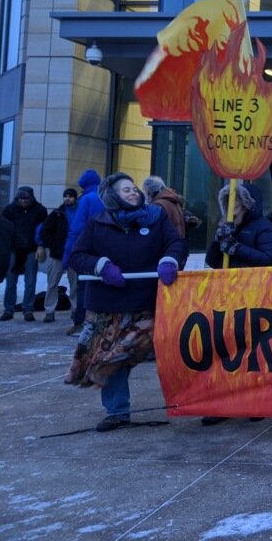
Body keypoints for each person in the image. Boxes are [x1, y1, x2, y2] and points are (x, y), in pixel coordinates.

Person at [65, 172, 187, 431]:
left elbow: (176, 244)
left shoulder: (156, 218)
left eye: (133, 188)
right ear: (112, 197)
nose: (133, 193)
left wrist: (170, 260)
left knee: (165, 352)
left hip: (146, 302)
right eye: (125, 190)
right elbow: (77, 256)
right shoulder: (98, 223)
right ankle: (117, 411)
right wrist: (101, 266)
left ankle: (187, 400)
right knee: (113, 359)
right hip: (108, 307)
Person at [202, 182, 272, 426]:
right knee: (225, 350)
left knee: (253, 352)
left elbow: (268, 258)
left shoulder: (262, 226)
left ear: (247, 204)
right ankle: (223, 403)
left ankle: (255, 402)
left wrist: (237, 248)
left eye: (235, 202)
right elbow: (213, 261)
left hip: (253, 296)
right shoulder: (226, 226)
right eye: (227, 202)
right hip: (226, 297)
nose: (230, 207)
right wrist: (219, 242)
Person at [63, 169, 103, 335]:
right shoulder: (106, 196)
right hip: (107, 248)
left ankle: (80, 322)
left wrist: (68, 255)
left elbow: (76, 229)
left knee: (83, 287)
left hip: (87, 250)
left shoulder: (86, 199)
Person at [0, 187, 48, 322]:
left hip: (31, 249)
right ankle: (8, 309)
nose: (23, 201)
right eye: (21, 198)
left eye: (26, 198)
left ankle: (28, 309)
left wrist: (41, 245)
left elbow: (44, 229)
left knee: (30, 281)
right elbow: (3, 229)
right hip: (13, 250)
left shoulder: (40, 210)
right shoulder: (9, 209)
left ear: (31, 198)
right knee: (10, 281)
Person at [38, 188, 79, 322]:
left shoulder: (80, 213)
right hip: (58, 254)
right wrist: (53, 245)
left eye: (71, 196)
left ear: (75, 198)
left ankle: (76, 310)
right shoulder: (57, 213)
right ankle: (50, 310)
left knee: (75, 285)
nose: (68, 198)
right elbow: (44, 231)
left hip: (75, 254)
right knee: (52, 284)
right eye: (65, 196)